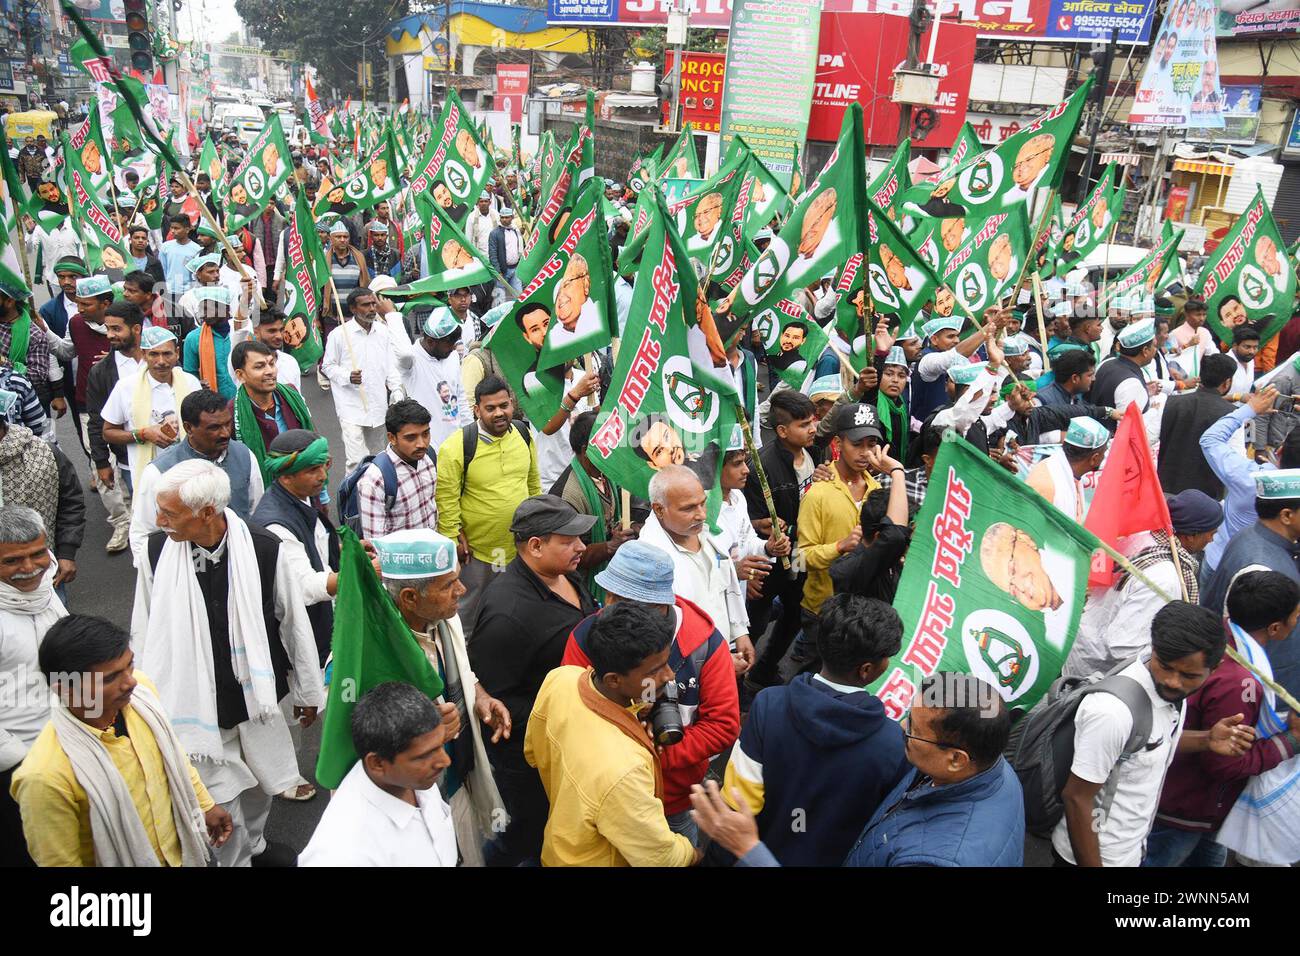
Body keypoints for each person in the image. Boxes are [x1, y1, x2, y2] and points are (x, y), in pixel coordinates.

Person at [131, 459, 324, 867]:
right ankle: (234, 861)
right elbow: (145, 626)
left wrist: (308, 691)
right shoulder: (155, 551)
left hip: (258, 698)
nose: (159, 519)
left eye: (169, 512)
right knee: (221, 798)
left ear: (205, 513)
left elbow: (293, 622)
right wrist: (144, 701)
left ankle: (253, 846)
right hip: (193, 698)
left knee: (260, 788)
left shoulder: (262, 547)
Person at [694, 673, 1026, 867]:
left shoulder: (935, 860)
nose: (899, 727)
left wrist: (750, 850)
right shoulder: (992, 767)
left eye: (913, 729)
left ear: (956, 758)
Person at [11, 614, 233, 867]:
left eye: (130, 665)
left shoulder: (141, 696)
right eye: (109, 678)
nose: (131, 682)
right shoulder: (44, 777)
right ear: (64, 688)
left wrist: (204, 805)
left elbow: (173, 755)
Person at [562, 541, 741, 845]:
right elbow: (572, 713)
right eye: (608, 594)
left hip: (673, 803)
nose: (607, 606)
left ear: (659, 607)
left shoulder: (705, 645)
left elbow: (724, 727)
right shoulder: (587, 637)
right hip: (605, 794)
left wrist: (657, 753)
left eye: (621, 600)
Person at [709, 593, 907, 866]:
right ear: (866, 670)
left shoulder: (768, 705)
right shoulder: (894, 743)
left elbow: (738, 802)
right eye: (887, 657)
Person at [1053, 601, 1247, 867]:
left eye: (1188, 675)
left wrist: (1206, 740)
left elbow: (1150, 744)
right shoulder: (1112, 712)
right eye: (1165, 666)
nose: (1173, 681)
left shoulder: (1173, 696)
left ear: (1213, 670)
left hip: (1131, 853)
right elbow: (1077, 798)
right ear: (1154, 649)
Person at [368, 529, 513, 864]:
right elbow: (362, 755)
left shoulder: (440, 617)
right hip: (409, 810)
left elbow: (460, 668)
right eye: (448, 585)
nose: (461, 591)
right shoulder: (367, 658)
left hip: (454, 781)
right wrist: (429, 734)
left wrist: (478, 695)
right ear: (409, 597)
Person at [468, 495, 597, 865]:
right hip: (528, 762)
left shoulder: (564, 574)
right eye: (569, 540)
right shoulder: (507, 615)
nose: (581, 548)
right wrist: (569, 712)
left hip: (566, 746)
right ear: (536, 546)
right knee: (523, 837)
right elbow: (497, 702)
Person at [525, 601, 699, 867]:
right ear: (614, 680)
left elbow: (533, 754)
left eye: (667, 662)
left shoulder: (561, 679)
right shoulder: (624, 770)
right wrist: (696, 854)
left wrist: (632, 713)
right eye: (655, 671)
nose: (670, 675)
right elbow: (662, 859)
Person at [1147, 570, 1300, 867]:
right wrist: (1290, 741)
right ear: (1274, 627)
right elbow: (1226, 763)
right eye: (1296, 616)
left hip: (1191, 804)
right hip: (1186, 810)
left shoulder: (1219, 638)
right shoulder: (1238, 682)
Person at [1066, 490, 1223, 678]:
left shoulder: (1140, 536)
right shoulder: (1164, 579)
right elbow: (1123, 647)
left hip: (1084, 640)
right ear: (1191, 535)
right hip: (1098, 671)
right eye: (1211, 533)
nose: (1212, 540)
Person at [299, 682, 457, 866]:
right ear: (377, 763)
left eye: (439, 745)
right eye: (424, 756)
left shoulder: (410, 776)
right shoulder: (341, 854)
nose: (445, 761)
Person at [435, 376, 541, 636]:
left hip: (520, 548)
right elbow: (446, 499)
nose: (499, 413)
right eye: (490, 408)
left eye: (504, 405)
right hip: (479, 554)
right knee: (468, 617)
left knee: (514, 611)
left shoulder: (524, 434)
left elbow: (533, 483)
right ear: (477, 410)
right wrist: (452, 541)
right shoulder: (457, 446)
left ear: (512, 404)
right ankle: (466, 669)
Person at [793, 402, 888, 673]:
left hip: (861, 612)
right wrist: (839, 547)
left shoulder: (877, 489)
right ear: (837, 443)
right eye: (857, 444)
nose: (865, 452)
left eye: (871, 444)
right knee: (814, 678)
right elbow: (801, 558)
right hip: (822, 611)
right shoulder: (818, 493)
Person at [0, 507, 69, 866]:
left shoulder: (44, 588)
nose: (30, 567)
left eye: (37, 553)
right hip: (19, 768)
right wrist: (21, 762)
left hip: (68, 746)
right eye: (12, 560)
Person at [640, 465, 755, 676]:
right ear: (659, 509)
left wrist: (739, 632)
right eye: (688, 508)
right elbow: (666, 637)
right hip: (689, 671)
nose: (701, 515)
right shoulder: (649, 560)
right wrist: (719, 663)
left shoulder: (707, 535)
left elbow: (723, 587)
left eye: (703, 504)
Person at [129, 389, 265, 566]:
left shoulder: (245, 455)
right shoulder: (159, 472)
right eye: (214, 428)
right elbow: (143, 533)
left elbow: (257, 510)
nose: (225, 433)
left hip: (241, 560)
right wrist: (155, 577)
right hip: (186, 567)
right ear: (188, 428)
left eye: (227, 424)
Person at [1201, 470, 1300, 697]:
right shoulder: (1260, 566)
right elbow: (1243, 644)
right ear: (1286, 515)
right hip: (1269, 692)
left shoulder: (1253, 535)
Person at [743, 390, 815, 694]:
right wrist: (766, 529)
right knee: (754, 623)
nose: (812, 429)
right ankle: (737, 680)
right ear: (783, 431)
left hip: (800, 553)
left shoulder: (814, 453)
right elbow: (751, 519)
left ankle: (765, 669)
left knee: (794, 613)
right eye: (804, 424)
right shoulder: (761, 466)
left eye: (813, 422)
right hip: (768, 559)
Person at [250, 430, 339, 666]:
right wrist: (358, 572)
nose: (323, 476)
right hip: (304, 643)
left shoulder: (303, 496)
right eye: (312, 470)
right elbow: (306, 588)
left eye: (324, 465)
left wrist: (347, 550)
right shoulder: (277, 526)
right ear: (286, 477)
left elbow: (315, 548)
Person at [1199, 388, 1300, 572]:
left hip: (1222, 562)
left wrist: (1250, 408)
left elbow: (1211, 440)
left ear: (1279, 451)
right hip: (1278, 573)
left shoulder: (1250, 478)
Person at [548, 409, 635, 600]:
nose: (613, 449)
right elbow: (569, 554)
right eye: (607, 444)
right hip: (582, 588)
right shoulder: (567, 496)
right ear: (587, 450)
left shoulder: (608, 474)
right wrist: (611, 546)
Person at [100, 326, 199, 486]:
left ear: (177, 353)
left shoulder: (190, 382)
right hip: (147, 477)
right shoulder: (126, 387)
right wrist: (143, 434)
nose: (161, 361)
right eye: (154, 354)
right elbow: (108, 432)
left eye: (167, 353)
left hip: (189, 473)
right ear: (144, 354)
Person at [322, 287, 402, 473]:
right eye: (366, 305)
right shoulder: (339, 334)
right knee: (356, 461)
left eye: (373, 303)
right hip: (350, 407)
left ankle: (376, 494)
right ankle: (354, 498)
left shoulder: (383, 332)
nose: (372, 308)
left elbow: (391, 365)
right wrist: (347, 376)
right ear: (353, 309)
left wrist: (396, 389)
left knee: (378, 458)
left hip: (378, 405)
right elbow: (327, 366)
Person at [230, 339, 314, 485]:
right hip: (265, 496)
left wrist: (322, 495)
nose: (269, 371)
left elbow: (310, 438)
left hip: (303, 486)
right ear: (240, 375)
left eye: (271, 363)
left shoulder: (291, 395)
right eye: (259, 366)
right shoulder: (232, 413)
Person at [1156, 353, 1237, 497]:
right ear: (1227, 382)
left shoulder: (1171, 403)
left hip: (1164, 489)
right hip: (1206, 497)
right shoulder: (1231, 415)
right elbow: (1234, 462)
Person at [357, 400, 438, 539]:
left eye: (425, 434)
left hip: (434, 554)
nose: (421, 444)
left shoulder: (428, 457)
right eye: (411, 438)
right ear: (392, 438)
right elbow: (376, 545)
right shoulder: (375, 480)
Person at [829, 469, 911, 604]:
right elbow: (895, 535)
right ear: (880, 537)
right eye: (906, 538)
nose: (909, 542)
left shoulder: (894, 563)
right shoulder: (848, 571)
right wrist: (897, 472)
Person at [395, 306, 470, 451]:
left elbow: (460, 396)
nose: (454, 349)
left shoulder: (453, 356)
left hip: (456, 443)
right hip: (426, 448)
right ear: (430, 341)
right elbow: (404, 354)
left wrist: (470, 432)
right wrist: (392, 314)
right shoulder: (412, 360)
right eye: (449, 344)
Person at [1026, 417, 1109, 523]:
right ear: (1094, 458)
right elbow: (1025, 533)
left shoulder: (1071, 475)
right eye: (1104, 452)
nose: (1105, 457)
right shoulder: (1046, 485)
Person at [180, 282, 240, 399]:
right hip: (212, 403)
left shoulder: (240, 334)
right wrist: (198, 383)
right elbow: (189, 375)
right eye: (202, 308)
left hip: (243, 399)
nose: (203, 313)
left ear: (225, 309)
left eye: (209, 308)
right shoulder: (193, 338)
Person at [1089, 318, 1160, 415]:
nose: (1156, 350)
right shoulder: (1132, 384)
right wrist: (1153, 411)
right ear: (1145, 351)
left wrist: (1143, 393)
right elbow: (1126, 426)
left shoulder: (1107, 362)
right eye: (1154, 346)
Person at [230, 308, 301, 392]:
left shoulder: (290, 361)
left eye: (281, 330)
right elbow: (239, 328)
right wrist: (246, 297)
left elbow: (298, 399)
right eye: (272, 331)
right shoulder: (242, 359)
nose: (279, 336)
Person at [1168, 298, 1215, 378]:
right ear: (1187, 315)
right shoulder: (1174, 334)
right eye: (1198, 315)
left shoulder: (1205, 332)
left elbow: (1212, 354)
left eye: (1204, 314)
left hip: (1199, 377)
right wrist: (1188, 345)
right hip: (1180, 378)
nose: (1202, 318)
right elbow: (1170, 358)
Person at [159, 214, 200, 295]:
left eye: (177, 228)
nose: (173, 231)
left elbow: (196, 275)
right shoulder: (165, 247)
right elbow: (162, 269)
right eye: (172, 228)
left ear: (187, 229)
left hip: (188, 292)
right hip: (169, 291)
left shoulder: (196, 249)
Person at [488, 208, 523, 302]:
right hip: (503, 271)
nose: (504, 219)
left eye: (507, 217)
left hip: (515, 269)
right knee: (499, 299)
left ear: (511, 217)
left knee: (519, 296)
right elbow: (492, 254)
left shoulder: (516, 230)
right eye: (502, 217)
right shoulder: (494, 233)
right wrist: (498, 271)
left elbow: (519, 247)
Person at [1226, 323, 1260, 402]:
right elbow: (1211, 398)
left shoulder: (1250, 361)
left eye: (1255, 347)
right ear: (1235, 345)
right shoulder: (1222, 363)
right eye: (1247, 347)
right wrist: (1238, 397)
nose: (1252, 351)